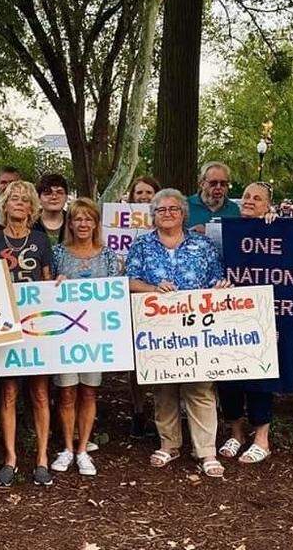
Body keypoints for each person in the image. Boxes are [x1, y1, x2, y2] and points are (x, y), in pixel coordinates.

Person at [126, 188, 228, 477]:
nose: (168, 214)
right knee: (164, 387)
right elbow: (129, 280)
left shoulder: (203, 244)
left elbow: (216, 277)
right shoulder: (142, 245)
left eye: (174, 209)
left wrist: (220, 287)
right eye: (161, 210)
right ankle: (169, 444)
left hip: (197, 328)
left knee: (200, 387)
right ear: (153, 216)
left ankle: (206, 450)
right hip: (158, 328)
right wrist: (152, 289)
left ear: (184, 214)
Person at [0, 180, 55, 486]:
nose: (20, 204)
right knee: (9, 393)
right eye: (14, 199)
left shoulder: (40, 240)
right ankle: (10, 458)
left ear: (32, 208)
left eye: (25, 200)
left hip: (37, 327)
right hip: (5, 326)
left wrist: (57, 286)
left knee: (39, 393)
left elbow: (48, 280)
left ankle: (42, 458)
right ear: (5, 204)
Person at [49, 198, 120, 477]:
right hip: (65, 336)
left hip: (95, 336)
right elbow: (46, 291)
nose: (83, 224)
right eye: (78, 218)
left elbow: (115, 293)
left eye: (88, 219)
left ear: (96, 224)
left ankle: (83, 449)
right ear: (70, 223)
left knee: (89, 391)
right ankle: (67, 447)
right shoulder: (58, 253)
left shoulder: (108, 255)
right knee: (67, 392)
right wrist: (55, 285)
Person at [216, 183, 281, 464]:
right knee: (228, 375)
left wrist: (275, 223)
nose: (250, 201)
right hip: (228, 312)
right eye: (246, 196)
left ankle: (262, 439)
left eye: (257, 198)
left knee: (260, 375)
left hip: (261, 315)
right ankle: (236, 433)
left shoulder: (273, 229)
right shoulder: (223, 229)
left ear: (268, 206)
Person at [125, 175, 160, 439]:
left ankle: (162, 412)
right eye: (139, 193)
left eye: (149, 192)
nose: (144, 197)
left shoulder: (166, 221)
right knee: (136, 360)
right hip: (132, 298)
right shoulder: (118, 221)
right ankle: (138, 411)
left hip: (162, 302)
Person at [186, 161, 240, 232]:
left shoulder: (234, 209)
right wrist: (191, 233)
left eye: (223, 183)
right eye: (213, 183)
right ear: (202, 183)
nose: (218, 187)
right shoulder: (185, 206)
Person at [33, 173, 69, 246]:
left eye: (59, 192)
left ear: (66, 197)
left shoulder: (75, 223)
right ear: (39, 198)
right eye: (48, 193)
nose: (54, 197)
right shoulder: (29, 224)